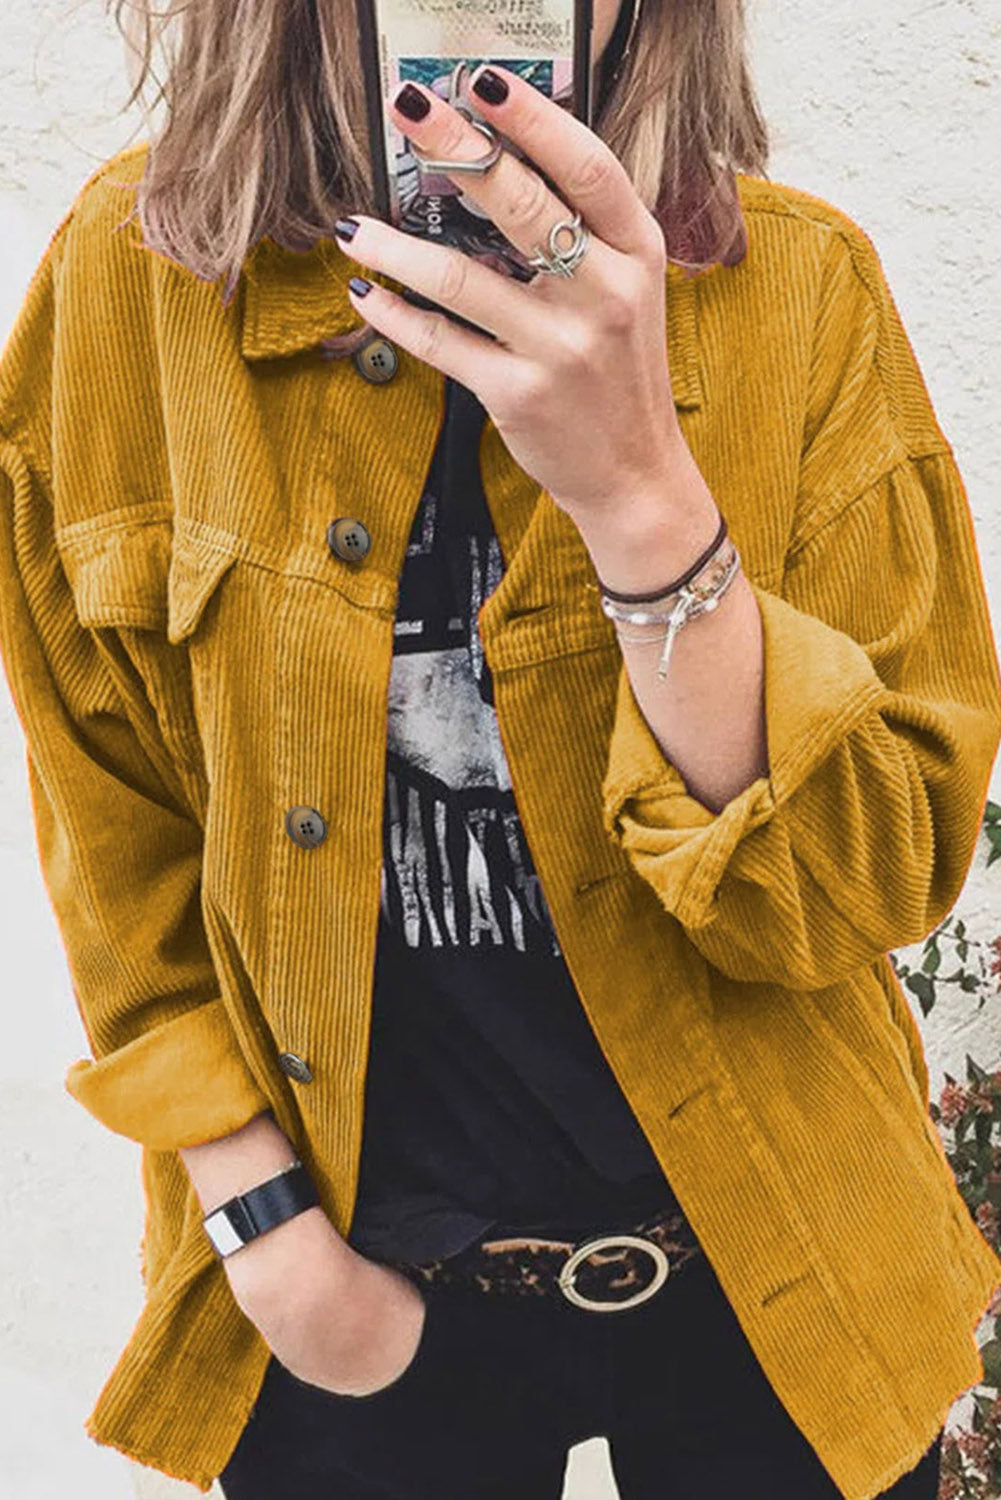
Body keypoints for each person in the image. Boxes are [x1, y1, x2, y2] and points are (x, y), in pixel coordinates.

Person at [0, 0, 998, 1496]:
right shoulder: (134, 280)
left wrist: (642, 494)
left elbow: (869, 881)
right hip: (355, 1286)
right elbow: (112, 813)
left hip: (782, 1271)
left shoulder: (799, 290)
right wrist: (266, 1237)